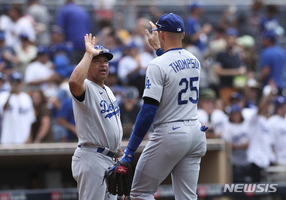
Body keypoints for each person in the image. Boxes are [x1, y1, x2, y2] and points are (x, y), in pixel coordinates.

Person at [118, 13, 207, 199]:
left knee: (139, 192)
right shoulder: (194, 60)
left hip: (171, 133)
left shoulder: (156, 65)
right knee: (187, 196)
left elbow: (149, 110)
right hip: (196, 132)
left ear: (161, 34)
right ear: (182, 35)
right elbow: (173, 69)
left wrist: (130, 151)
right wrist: (159, 50)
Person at [68, 34, 123, 200]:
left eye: (105, 61)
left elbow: (112, 127)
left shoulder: (108, 90)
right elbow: (74, 83)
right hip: (92, 157)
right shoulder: (87, 88)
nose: (103, 64)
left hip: (110, 158)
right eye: (97, 61)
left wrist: (119, 156)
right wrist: (88, 54)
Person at [0, 71, 35, 144]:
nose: (16, 84)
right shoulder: (3, 96)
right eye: (13, 82)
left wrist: (30, 136)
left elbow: (31, 119)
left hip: (23, 139)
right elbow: (3, 110)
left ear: (22, 83)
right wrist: (11, 93)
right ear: (10, 83)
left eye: (18, 82)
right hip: (7, 139)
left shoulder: (27, 98)